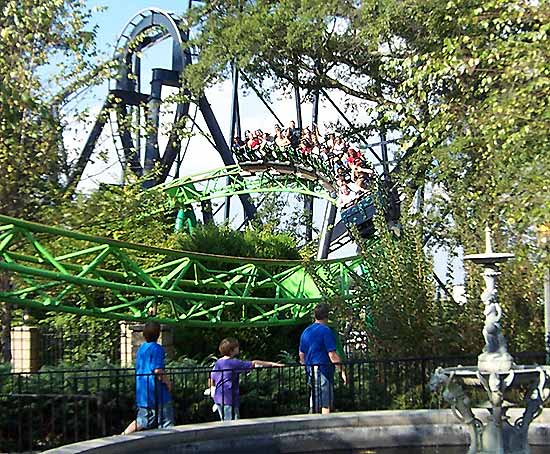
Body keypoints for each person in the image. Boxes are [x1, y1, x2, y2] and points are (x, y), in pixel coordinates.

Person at [210, 337, 283, 421]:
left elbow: (212, 378)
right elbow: (254, 363)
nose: (238, 348)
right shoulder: (234, 363)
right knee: (232, 423)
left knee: (225, 421)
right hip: (229, 398)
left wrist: (212, 390)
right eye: (237, 347)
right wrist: (272, 364)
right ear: (232, 350)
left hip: (219, 397)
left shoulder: (219, 362)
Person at [122, 322, 173, 434]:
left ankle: (123, 435)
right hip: (156, 392)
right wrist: (168, 383)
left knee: (142, 420)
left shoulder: (142, 348)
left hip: (143, 391)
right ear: (158, 334)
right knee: (166, 422)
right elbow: (157, 370)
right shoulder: (156, 348)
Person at [299, 304, 347, 414]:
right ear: (327, 316)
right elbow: (332, 354)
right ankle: (325, 426)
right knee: (325, 403)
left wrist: (306, 367)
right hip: (323, 370)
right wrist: (342, 370)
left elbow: (301, 354)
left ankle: (312, 425)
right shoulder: (326, 331)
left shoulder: (306, 331)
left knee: (315, 400)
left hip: (311, 370)